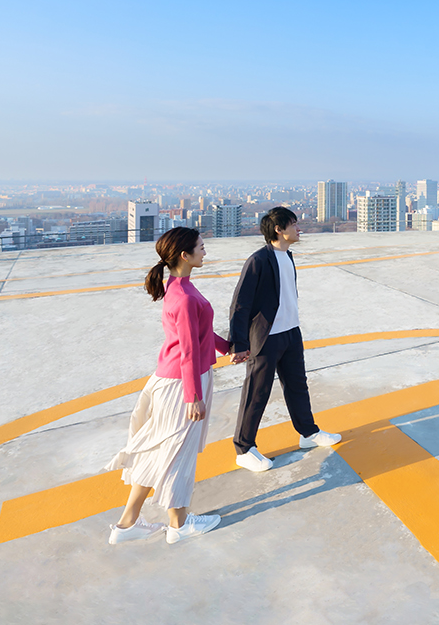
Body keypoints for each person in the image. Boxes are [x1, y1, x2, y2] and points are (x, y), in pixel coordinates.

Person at [106, 226, 236, 545]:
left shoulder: (177, 287)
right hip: (182, 385)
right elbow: (189, 350)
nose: (205, 252)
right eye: (201, 248)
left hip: (171, 380)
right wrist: (193, 396)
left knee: (159, 452)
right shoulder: (185, 297)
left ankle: (126, 525)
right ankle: (178, 525)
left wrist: (228, 348)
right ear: (184, 255)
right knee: (179, 454)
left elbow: (196, 335)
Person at [229, 206, 340, 471]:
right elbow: (240, 305)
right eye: (294, 224)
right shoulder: (258, 260)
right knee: (257, 393)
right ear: (279, 229)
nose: (299, 228)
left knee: (298, 385)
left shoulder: (287, 256)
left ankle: (308, 434)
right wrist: (240, 344)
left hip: (291, 332)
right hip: (266, 338)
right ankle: (244, 449)